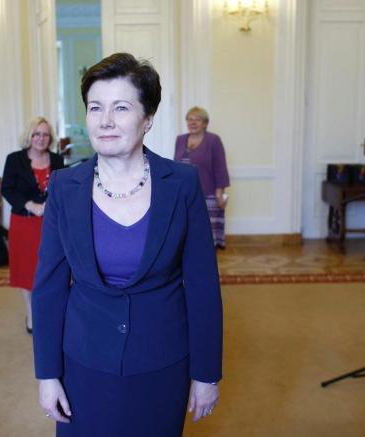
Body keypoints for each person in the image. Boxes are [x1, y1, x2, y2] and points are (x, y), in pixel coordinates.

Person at [32, 53, 223, 436]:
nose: (105, 120)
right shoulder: (65, 187)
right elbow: (49, 288)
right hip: (83, 362)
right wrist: (47, 374)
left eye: (121, 107)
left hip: (161, 361)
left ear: (147, 117)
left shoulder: (182, 184)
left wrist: (206, 373)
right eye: (95, 107)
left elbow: (202, 286)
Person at [1, 117, 64, 334]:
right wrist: (30, 205)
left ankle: (48, 309)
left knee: (50, 268)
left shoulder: (57, 160)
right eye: (36, 134)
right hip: (24, 222)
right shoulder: (14, 160)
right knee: (27, 268)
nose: (41, 138)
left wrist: (50, 204)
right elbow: (7, 189)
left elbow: (61, 188)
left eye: (45, 134)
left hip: (51, 224)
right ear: (29, 136)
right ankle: (30, 313)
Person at [174, 107, 230, 249]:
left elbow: (220, 167)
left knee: (209, 234)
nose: (193, 123)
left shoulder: (213, 140)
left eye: (197, 120)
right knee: (188, 231)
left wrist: (219, 193)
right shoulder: (180, 139)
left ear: (205, 123)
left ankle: (209, 259)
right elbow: (175, 166)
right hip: (184, 195)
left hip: (208, 194)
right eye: (190, 119)